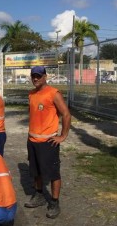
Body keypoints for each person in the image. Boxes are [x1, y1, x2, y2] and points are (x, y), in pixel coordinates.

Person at [24, 66, 71, 219]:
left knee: (52, 173)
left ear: (45, 76)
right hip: (32, 140)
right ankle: (39, 195)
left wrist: (63, 136)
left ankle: (55, 202)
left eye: (38, 76)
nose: (35, 79)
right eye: (33, 76)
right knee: (35, 171)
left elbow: (66, 114)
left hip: (48, 142)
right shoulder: (31, 94)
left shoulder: (53, 93)